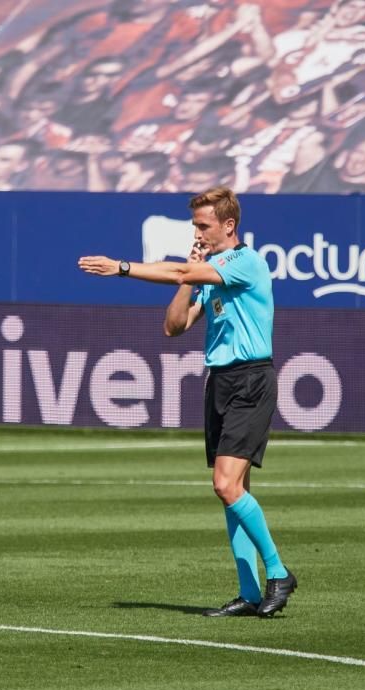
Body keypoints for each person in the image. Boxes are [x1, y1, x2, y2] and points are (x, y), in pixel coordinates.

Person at [78, 186, 296, 618]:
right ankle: (250, 593)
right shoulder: (207, 270)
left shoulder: (244, 261)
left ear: (228, 226)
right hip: (220, 381)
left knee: (225, 485)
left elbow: (180, 273)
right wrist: (191, 273)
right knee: (233, 492)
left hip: (251, 379)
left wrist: (122, 268)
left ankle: (278, 572)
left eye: (203, 225)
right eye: (195, 224)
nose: (197, 232)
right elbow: (174, 326)